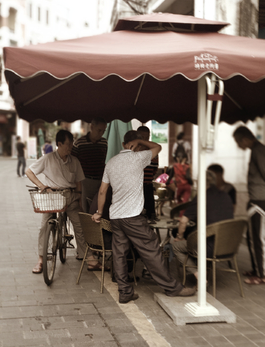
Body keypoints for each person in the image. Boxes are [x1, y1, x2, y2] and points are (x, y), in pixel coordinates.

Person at [92, 130, 196, 304]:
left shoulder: (111, 163)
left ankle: (125, 291)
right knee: (152, 249)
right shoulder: (139, 158)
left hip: (116, 216)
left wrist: (99, 213)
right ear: (134, 144)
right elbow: (158, 147)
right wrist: (141, 142)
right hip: (132, 216)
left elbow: (102, 191)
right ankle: (172, 288)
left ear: (123, 144)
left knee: (119, 253)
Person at [26, 130, 88, 274]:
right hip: (52, 197)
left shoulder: (75, 161)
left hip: (70, 197)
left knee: (79, 225)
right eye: (68, 144)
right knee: (44, 226)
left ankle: (86, 255)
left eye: (71, 143)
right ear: (59, 144)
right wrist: (42, 186)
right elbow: (29, 171)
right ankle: (41, 259)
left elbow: (79, 182)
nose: (70, 147)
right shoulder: (48, 158)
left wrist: (79, 198)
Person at [172, 170, 234, 283]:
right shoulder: (225, 196)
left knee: (176, 246)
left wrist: (179, 237)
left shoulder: (202, 197)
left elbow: (183, 221)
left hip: (208, 248)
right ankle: (204, 269)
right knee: (199, 236)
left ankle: (198, 274)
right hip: (228, 246)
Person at [233, 125, 265, 285]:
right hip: (256, 199)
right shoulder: (255, 150)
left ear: (245, 139)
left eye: (238, 142)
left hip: (260, 201)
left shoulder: (259, 151)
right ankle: (256, 269)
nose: (239, 146)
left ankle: (261, 274)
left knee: (258, 239)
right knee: (253, 238)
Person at [71, 118, 107, 213]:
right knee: (84, 209)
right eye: (99, 130)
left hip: (100, 180)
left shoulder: (104, 142)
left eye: (103, 131)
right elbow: (73, 164)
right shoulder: (79, 143)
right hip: (85, 181)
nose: (101, 133)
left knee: (98, 208)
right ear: (91, 127)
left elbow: (103, 160)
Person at [137, 126, 159, 224]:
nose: (145, 140)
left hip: (148, 185)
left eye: (147, 137)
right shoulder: (135, 151)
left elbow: (155, 169)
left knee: (150, 214)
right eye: (142, 137)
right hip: (136, 186)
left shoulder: (153, 151)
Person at [166, 148, 193, 214]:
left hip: (179, 186)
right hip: (187, 186)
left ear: (177, 158)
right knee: (185, 201)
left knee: (177, 199)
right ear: (185, 158)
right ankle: (182, 214)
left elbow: (169, 178)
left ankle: (179, 213)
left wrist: (167, 183)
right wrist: (191, 183)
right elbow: (188, 177)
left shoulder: (174, 166)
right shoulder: (187, 167)